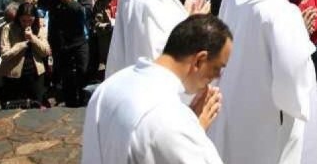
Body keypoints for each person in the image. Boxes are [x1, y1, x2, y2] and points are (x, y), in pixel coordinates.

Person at [209, 0, 317, 164]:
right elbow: (292, 72)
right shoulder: (281, 11)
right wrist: (301, 35)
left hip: (231, 99)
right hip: (264, 112)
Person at [82, 14, 231, 164]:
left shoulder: (109, 86)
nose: (217, 76)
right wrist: (195, 133)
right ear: (199, 60)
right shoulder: (174, 120)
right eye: (217, 68)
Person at [0, 0, 51, 106]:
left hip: (35, 73)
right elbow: (5, 55)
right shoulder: (8, 28)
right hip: (14, 75)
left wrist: (32, 38)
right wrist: (21, 45)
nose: (27, 24)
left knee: (36, 105)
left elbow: (45, 51)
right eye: (23, 21)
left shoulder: (40, 27)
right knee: (15, 106)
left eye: (30, 21)